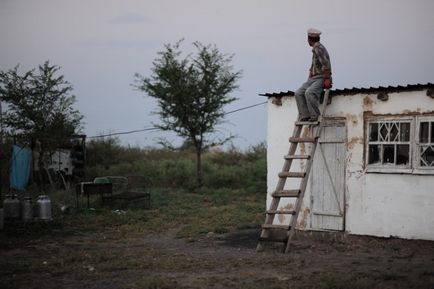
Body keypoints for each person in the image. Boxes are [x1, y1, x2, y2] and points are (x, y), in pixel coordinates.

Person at [295, 28, 332, 121]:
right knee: (298, 93)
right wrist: (309, 78)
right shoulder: (315, 49)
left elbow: (326, 64)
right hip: (314, 78)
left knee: (309, 93)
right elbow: (313, 66)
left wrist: (327, 79)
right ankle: (305, 115)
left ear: (309, 40)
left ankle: (315, 116)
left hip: (321, 77)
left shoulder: (318, 48)